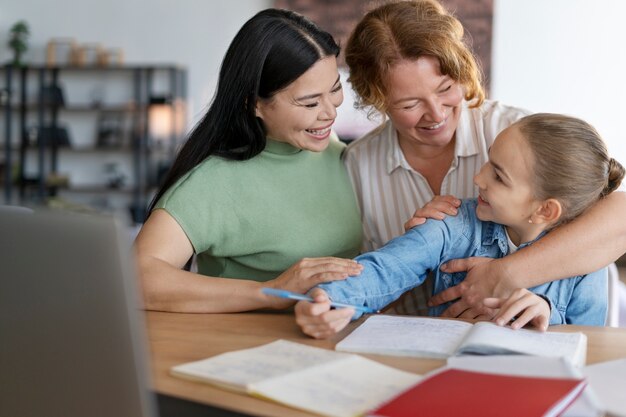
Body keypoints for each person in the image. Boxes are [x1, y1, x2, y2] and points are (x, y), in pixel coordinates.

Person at [341, 0, 626, 317]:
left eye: (446, 88)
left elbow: (619, 215)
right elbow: (376, 280)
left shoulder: (513, 134)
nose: (436, 114)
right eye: (409, 104)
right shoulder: (357, 165)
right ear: (377, 99)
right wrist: (414, 252)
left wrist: (504, 276)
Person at [295, 113, 626, 339]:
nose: (477, 178)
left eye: (498, 176)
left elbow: (588, 347)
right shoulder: (453, 223)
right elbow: (387, 268)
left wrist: (546, 314)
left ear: (545, 210)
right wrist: (334, 298)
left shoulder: (587, 264)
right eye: (488, 162)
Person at [134, 9, 364, 313]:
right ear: (255, 104)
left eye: (334, 89)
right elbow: (139, 277)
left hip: (339, 339)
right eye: (310, 102)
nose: (330, 112)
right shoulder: (213, 182)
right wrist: (269, 292)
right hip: (252, 348)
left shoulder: (335, 153)